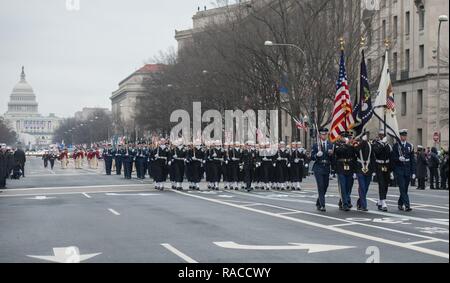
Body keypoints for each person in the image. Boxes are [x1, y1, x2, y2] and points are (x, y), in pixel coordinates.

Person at [392, 129, 416, 212]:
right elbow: (393, 158)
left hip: (407, 169)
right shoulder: (396, 146)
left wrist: (413, 172)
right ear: (400, 136)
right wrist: (398, 158)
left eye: (405, 135)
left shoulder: (410, 146)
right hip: (399, 169)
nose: (404, 137)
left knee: (405, 188)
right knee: (402, 187)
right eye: (402, 135)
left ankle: (399, 203)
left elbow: (413, 160)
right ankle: (407, 205)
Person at [311, 128, 334, 212]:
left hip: (327, 167)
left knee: (325, 186)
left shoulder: (330, 144)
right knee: (320, 186)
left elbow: (332, 158)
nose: (324, 135)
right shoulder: (316, 145)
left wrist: (331, 154)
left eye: (325, 134)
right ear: (320, 135)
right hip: (318, 167)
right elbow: (312, 157)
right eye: (322, 134)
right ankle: (322, 205)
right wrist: (317, 155)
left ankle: (318, 202)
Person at [334, 132, 357, 211]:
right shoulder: (337, 144)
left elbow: (354, 156)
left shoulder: (351, 145)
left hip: (350, 167)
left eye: (347, 137)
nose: (345, 138)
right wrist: (347, 145)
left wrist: (354, 170)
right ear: (340, 137)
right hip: (341, 167)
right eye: (344, 136)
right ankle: (345, 203)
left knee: (349, 186)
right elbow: (339, 152)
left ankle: (345, 200)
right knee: (343, 186)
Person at [372, 130, 392, 211]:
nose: (382, 136)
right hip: (379, 165)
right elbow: (377, 152)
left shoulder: (388, 145)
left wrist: (391, 170)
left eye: (383, 135)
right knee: (381, 184)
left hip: (386, 166)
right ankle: (383, 202)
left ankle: (380, 200)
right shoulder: (376, 144)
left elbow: (389, 155)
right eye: (380, 135)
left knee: (386, 184)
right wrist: (382, 144)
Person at [354, 134, 373, 211]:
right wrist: (362, 142)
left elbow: (373, 157)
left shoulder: (370, 144)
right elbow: (356, 151)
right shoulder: (358, 144)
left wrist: (373, 170)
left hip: (368, 168)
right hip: (359, 168)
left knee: (366, 187)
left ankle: (360, 202)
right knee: (362, 186)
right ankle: (363, 206)